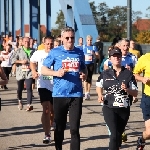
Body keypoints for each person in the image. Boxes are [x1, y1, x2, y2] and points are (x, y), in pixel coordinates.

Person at [41, 26, 87, 150]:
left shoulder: (79, 52)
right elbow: (43, 69)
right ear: (62, 38)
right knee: (59, 127)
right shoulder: (55, 52)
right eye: (67, 38)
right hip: (59, 95)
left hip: (76, 94)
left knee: (74, 129)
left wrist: (84, 74)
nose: (70, 40)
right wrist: (56, 73)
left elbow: (84, 68)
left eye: (72, 37)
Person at [96, 47, 138, 150]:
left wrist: (127, 90)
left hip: (124, 108)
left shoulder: (128, 74)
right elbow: (98, 85)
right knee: (114, 135)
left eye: (118, 56)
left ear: (121, 58)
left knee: (118, 136)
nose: (116, 58)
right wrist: (99, 94)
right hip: (109, 106)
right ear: (110, 59)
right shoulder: (105, 73)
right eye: (114, 56)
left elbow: (136, 92)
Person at [30, 36, 54, 144]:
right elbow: (32, 62)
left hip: (55, 85)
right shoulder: (38, 53)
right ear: (43, 44)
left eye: (51, 44)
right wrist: (34, 72)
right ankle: (47, 134)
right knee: (46, 109)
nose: (49, 46)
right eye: (47, 44)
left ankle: (51, 125)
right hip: (42, 84)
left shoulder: (57, 53)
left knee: (53, 112)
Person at [11, 37, 35, 111]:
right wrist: (21, 61)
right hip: (20, 72)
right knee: (20, 88)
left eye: (28, 42)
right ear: (22, 42)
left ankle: (29, 104)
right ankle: (20, 100)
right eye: (25, 42)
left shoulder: (33, 51)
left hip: (29, 72)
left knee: (29, 88)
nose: (27, 43)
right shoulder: (18, 50)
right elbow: (12, 59)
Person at [133, 52, 150, 149]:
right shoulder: (145, 58)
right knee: (149, 132)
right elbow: (135, 74)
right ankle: (142, 139)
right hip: (148, 98)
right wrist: (143, 78)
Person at [83, 35, 99, 100]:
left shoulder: (94, 47)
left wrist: (94, 54)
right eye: (88, 40)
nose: (89, 41)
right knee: (85, 78)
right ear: (86, 40)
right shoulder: (84, 47)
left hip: (91, 64)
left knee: (89, 78)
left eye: (90, 40)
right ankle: (85, 92)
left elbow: (98, 56)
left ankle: (88, 93)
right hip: (85, 64)